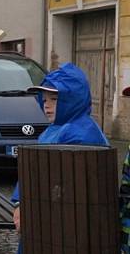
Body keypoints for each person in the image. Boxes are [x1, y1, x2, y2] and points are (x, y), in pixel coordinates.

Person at [11, 62, 108, 232]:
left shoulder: (80, 133)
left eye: (54, 99)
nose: (46, 105)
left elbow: (64, 185)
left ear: (72, 99)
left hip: (68, 226)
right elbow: (32, 169)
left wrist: (30, 208)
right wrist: (20, 202)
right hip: (46, 219)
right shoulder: (54, 129)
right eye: (45, 99)